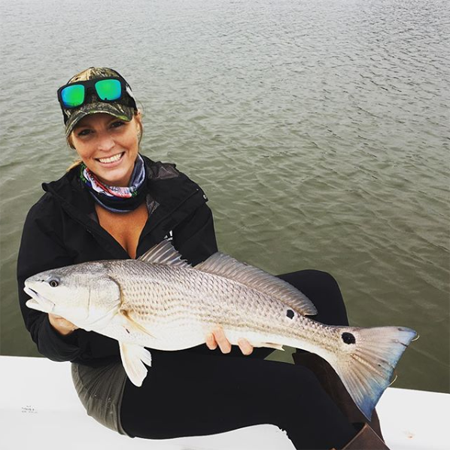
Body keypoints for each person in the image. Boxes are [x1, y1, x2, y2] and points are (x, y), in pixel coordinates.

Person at [17, 67, 388, 449]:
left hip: (190, 334)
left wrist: (234, 324)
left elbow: (208, 275)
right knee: (296, 391)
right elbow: (45, 342)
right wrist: (61, 321)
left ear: (137, 122)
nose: (105, 145)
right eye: (86, 133)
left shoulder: (179, 196)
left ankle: (356, 400)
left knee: (319, 287)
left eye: (115, 126)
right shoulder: (50, 217)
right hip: (118, 379)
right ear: (72, 142)